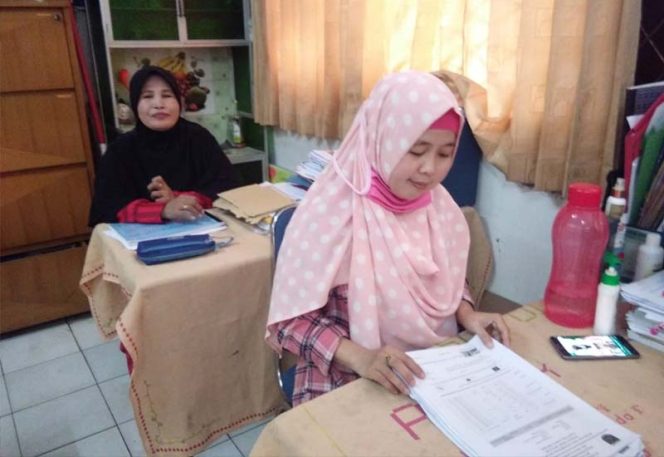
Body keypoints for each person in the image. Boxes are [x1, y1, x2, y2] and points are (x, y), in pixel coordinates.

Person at [266, 71, 510, 406]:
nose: (429, 169)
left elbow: (447, 280)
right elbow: (289, 323)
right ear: (382, 139)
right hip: (345, 376)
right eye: (416, 150)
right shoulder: (330, 212)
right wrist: (363, 358)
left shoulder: (440, 209)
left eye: (444, 154)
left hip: (432, 370)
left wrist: (467, 315)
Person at [88, 65, 239, 226]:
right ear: (135, 104)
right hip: (142, 243)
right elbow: (108, 209)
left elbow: (228, 189)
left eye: (167, 95)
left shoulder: (198, 138)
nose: (158, 104)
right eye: (147, 96)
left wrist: (180, 198)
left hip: (205, 232)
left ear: (179, 102)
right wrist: (163, 209)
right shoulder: (120, 150)